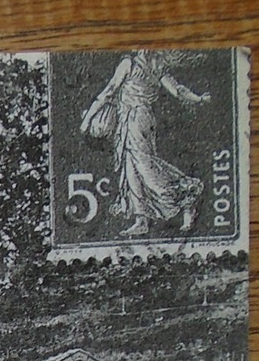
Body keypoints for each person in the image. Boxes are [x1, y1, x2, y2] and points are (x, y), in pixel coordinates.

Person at [82, 50, 211, 238]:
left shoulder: (129, 64)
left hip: (134, 118)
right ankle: (141, 220)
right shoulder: (156, 67)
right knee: (132, 168)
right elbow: (178, 90)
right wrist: (198, 98)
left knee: (145, 169)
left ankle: (187, 194)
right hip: (143, 119)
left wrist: (87, 119)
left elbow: (109, 91)